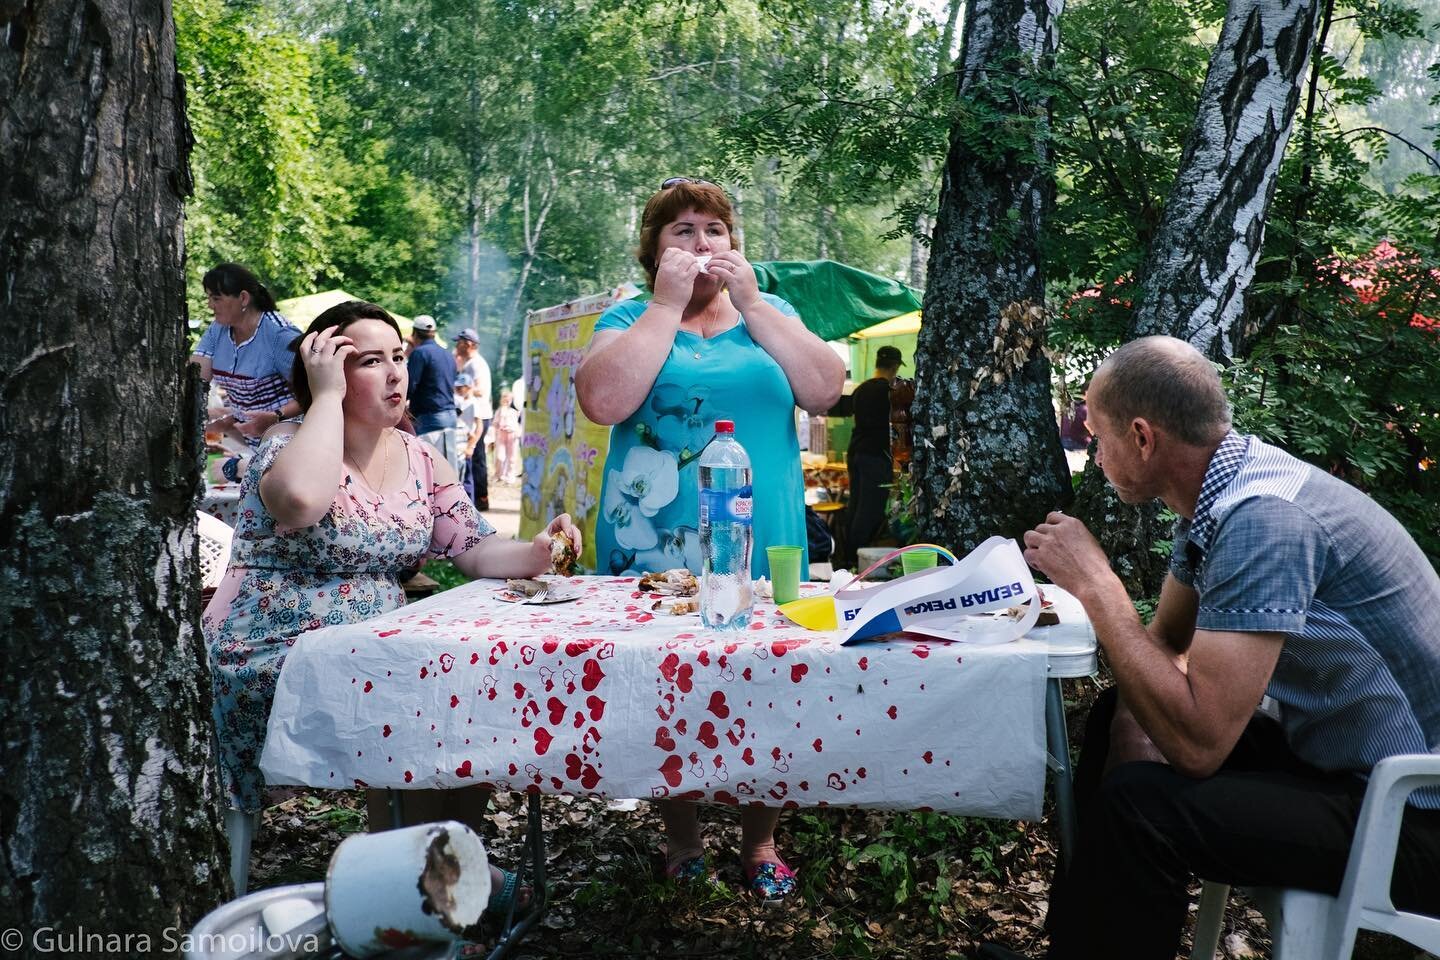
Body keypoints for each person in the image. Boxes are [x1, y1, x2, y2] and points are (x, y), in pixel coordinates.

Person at [988, 335, 1440, 960]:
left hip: (1416, 815)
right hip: (1353, 766)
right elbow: (1167, 644)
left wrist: (1098, 587)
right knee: (1115, 717)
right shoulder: (1225, 494)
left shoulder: (1262, 520)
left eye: (1098, 438)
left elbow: (1200, 746)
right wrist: (1134, 727)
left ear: (1143, 438)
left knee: (1141, 810)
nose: (1094, 456)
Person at [203, 300, 579, 912]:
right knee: (410, 694)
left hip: (376, 642)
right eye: (369, 361)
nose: (397, 373)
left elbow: (473, 548)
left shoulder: (419, 457)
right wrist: (322, 400)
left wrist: (536, 552)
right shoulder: (285, 442)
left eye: (398, 356)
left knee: (465, 681)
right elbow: (298, 501)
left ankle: (452, 867)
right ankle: (416, 888)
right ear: (326, 370)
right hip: (271, 643)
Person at [574, 177, 845, 902]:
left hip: (763, 532)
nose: (700, 245)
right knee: (667, 683)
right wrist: (665, 306)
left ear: (735, 245)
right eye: (682, 232)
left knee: (764, 674)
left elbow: (825, 390)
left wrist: (755, 304)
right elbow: (603, 401)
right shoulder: (629, 316)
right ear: (653, 252)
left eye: (713, 231)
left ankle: (760, 839)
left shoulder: (770, 312)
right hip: (653, 540)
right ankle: (682, 836)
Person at [190, 263, 303, 482]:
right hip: (256, 444)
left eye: (216, 298)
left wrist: (275, 416)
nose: (210, 305)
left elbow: (317, 394)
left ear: (243, 298)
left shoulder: (279, 335)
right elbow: (196, 378)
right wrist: (226, 420)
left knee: (224, 471)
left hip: (291, 448)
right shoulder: (218, 329)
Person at [845, 345, 902, 568]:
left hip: (856, 451)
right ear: (895, 366)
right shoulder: (890, 392)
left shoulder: (860, 390)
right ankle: (858, 560)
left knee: (856, 505)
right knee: (870, 509)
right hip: (876, 455)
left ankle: (848, 556)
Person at [406, 314, 459, 474]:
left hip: (429, 415)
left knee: (426, 468)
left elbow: (410, 384)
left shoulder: (419, 353)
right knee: (447, 468)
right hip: (450, 414)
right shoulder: (448, 354)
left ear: (415, 333)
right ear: (433, 333)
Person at [454, 328, 493, 510]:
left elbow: (481, 390)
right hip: (473, 414)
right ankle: (476, 497)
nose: (456, 345)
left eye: (459, 342)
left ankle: (480, 499)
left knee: (475, 457)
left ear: (469, 344)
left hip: (479, 415)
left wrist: (463, 388)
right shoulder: (470, 363)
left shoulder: (477, 364)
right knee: (475, 457)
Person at [493, 387, 522, 484]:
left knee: (512, 457)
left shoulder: (514, 412)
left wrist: (516, 431)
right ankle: (499, 474)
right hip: (501, 435)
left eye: (508, 400)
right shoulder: (499, 411)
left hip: (512, 435)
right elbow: (495, 423)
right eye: (504, 399)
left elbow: (517, 425)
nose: (506, 401)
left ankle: (510, 476)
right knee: (500, 456)